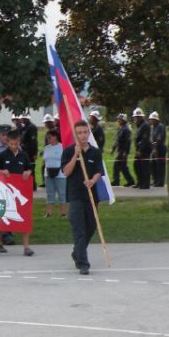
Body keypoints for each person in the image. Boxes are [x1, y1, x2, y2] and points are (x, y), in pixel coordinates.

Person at [62, 120, 103, 276]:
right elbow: (66, 171)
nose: (83, 135)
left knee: (91, 227)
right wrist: (75, 155)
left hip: (92, 196)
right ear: (75, 134)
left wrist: (92, 180)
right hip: (75, 195)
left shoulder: (95, 152)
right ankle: (83, 263)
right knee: (79, 229)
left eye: (85, 132)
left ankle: (77, 252)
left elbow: (99, 171)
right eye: (80, 132)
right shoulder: (68, 151)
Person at [0, 129, 34, 256]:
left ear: (19, 142)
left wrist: (28, 172)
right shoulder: (2, 155)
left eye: (16, 144)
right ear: (7, 142)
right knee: (3, 216)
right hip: (5, 191)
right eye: (11, 144)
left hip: (21, 191)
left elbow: (29, 169)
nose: (13, 146)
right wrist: (2, 172)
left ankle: (26, 247)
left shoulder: (24, 155)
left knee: (24, 217)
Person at [42, 129, 67, 217]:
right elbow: (45, 160)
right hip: (48, 173)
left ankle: (63, 213)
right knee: (50, 193)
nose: (48, 139)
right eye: (47, 137)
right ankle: (49, 213)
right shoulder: (46, 148)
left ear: (56, 137)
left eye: (50, 137)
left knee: (62, 193)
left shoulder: (62, 147)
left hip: (60, 174)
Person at [111, 113, 134, 187]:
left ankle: (116, 181)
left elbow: (128, 141)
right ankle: (130, 181)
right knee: (123, 167)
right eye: (118, 119)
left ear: (123, 120)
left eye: (120, 119)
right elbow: (117, 140)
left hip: (123, 151)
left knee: (117, 165)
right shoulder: (120, 129)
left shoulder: (126, 130)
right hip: (120, 150)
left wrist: (126, 152)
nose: (118, 120)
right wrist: (113, 149)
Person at [132, 108, 151, 189]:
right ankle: (140, 182)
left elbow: (144, 139)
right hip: (139, 149)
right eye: (135, 117)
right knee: (137, 166)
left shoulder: (145, 125)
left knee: (144, 167)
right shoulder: (139, 126)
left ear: (141, 117)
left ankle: (145, 184)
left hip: (145, 149)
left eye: (137, 117)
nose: (135, 119)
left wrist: (140, 150)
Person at [148, 112, 167, 188]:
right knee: (153, 164)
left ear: (155, 119)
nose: (150, 121)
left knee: (160, 166)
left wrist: (155, 148)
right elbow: (152, 138)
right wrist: (153, 147)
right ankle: (155, 180)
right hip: (154, 148)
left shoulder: (161, 127)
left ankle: (160, 181)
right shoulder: (153, 127)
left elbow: (160, 138)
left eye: (152, 119)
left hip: (160, 148)